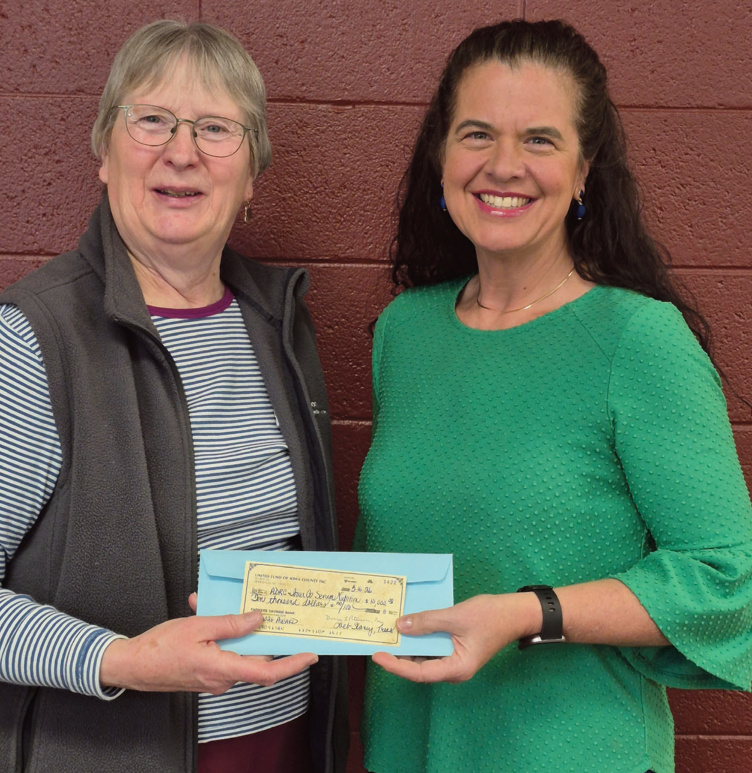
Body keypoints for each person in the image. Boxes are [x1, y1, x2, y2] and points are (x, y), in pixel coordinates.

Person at [356, 18, 752, 773]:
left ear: (583, 170)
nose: (503, 165)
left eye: (539, 139)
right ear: (442, 154)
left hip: (573, 751)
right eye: (477, 134)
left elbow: (727, 578)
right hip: (411, 747)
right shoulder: (404, 333)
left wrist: (523, 613)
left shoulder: (639, 339)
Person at [0, 20, 347, 773]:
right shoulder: (34, 338)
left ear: (252, 174)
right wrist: (119, 658)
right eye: (152, 118)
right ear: (104, 148)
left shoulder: (278, 323)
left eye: (216, 128)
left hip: (278, 746)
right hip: (104, 753)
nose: (181, 151)